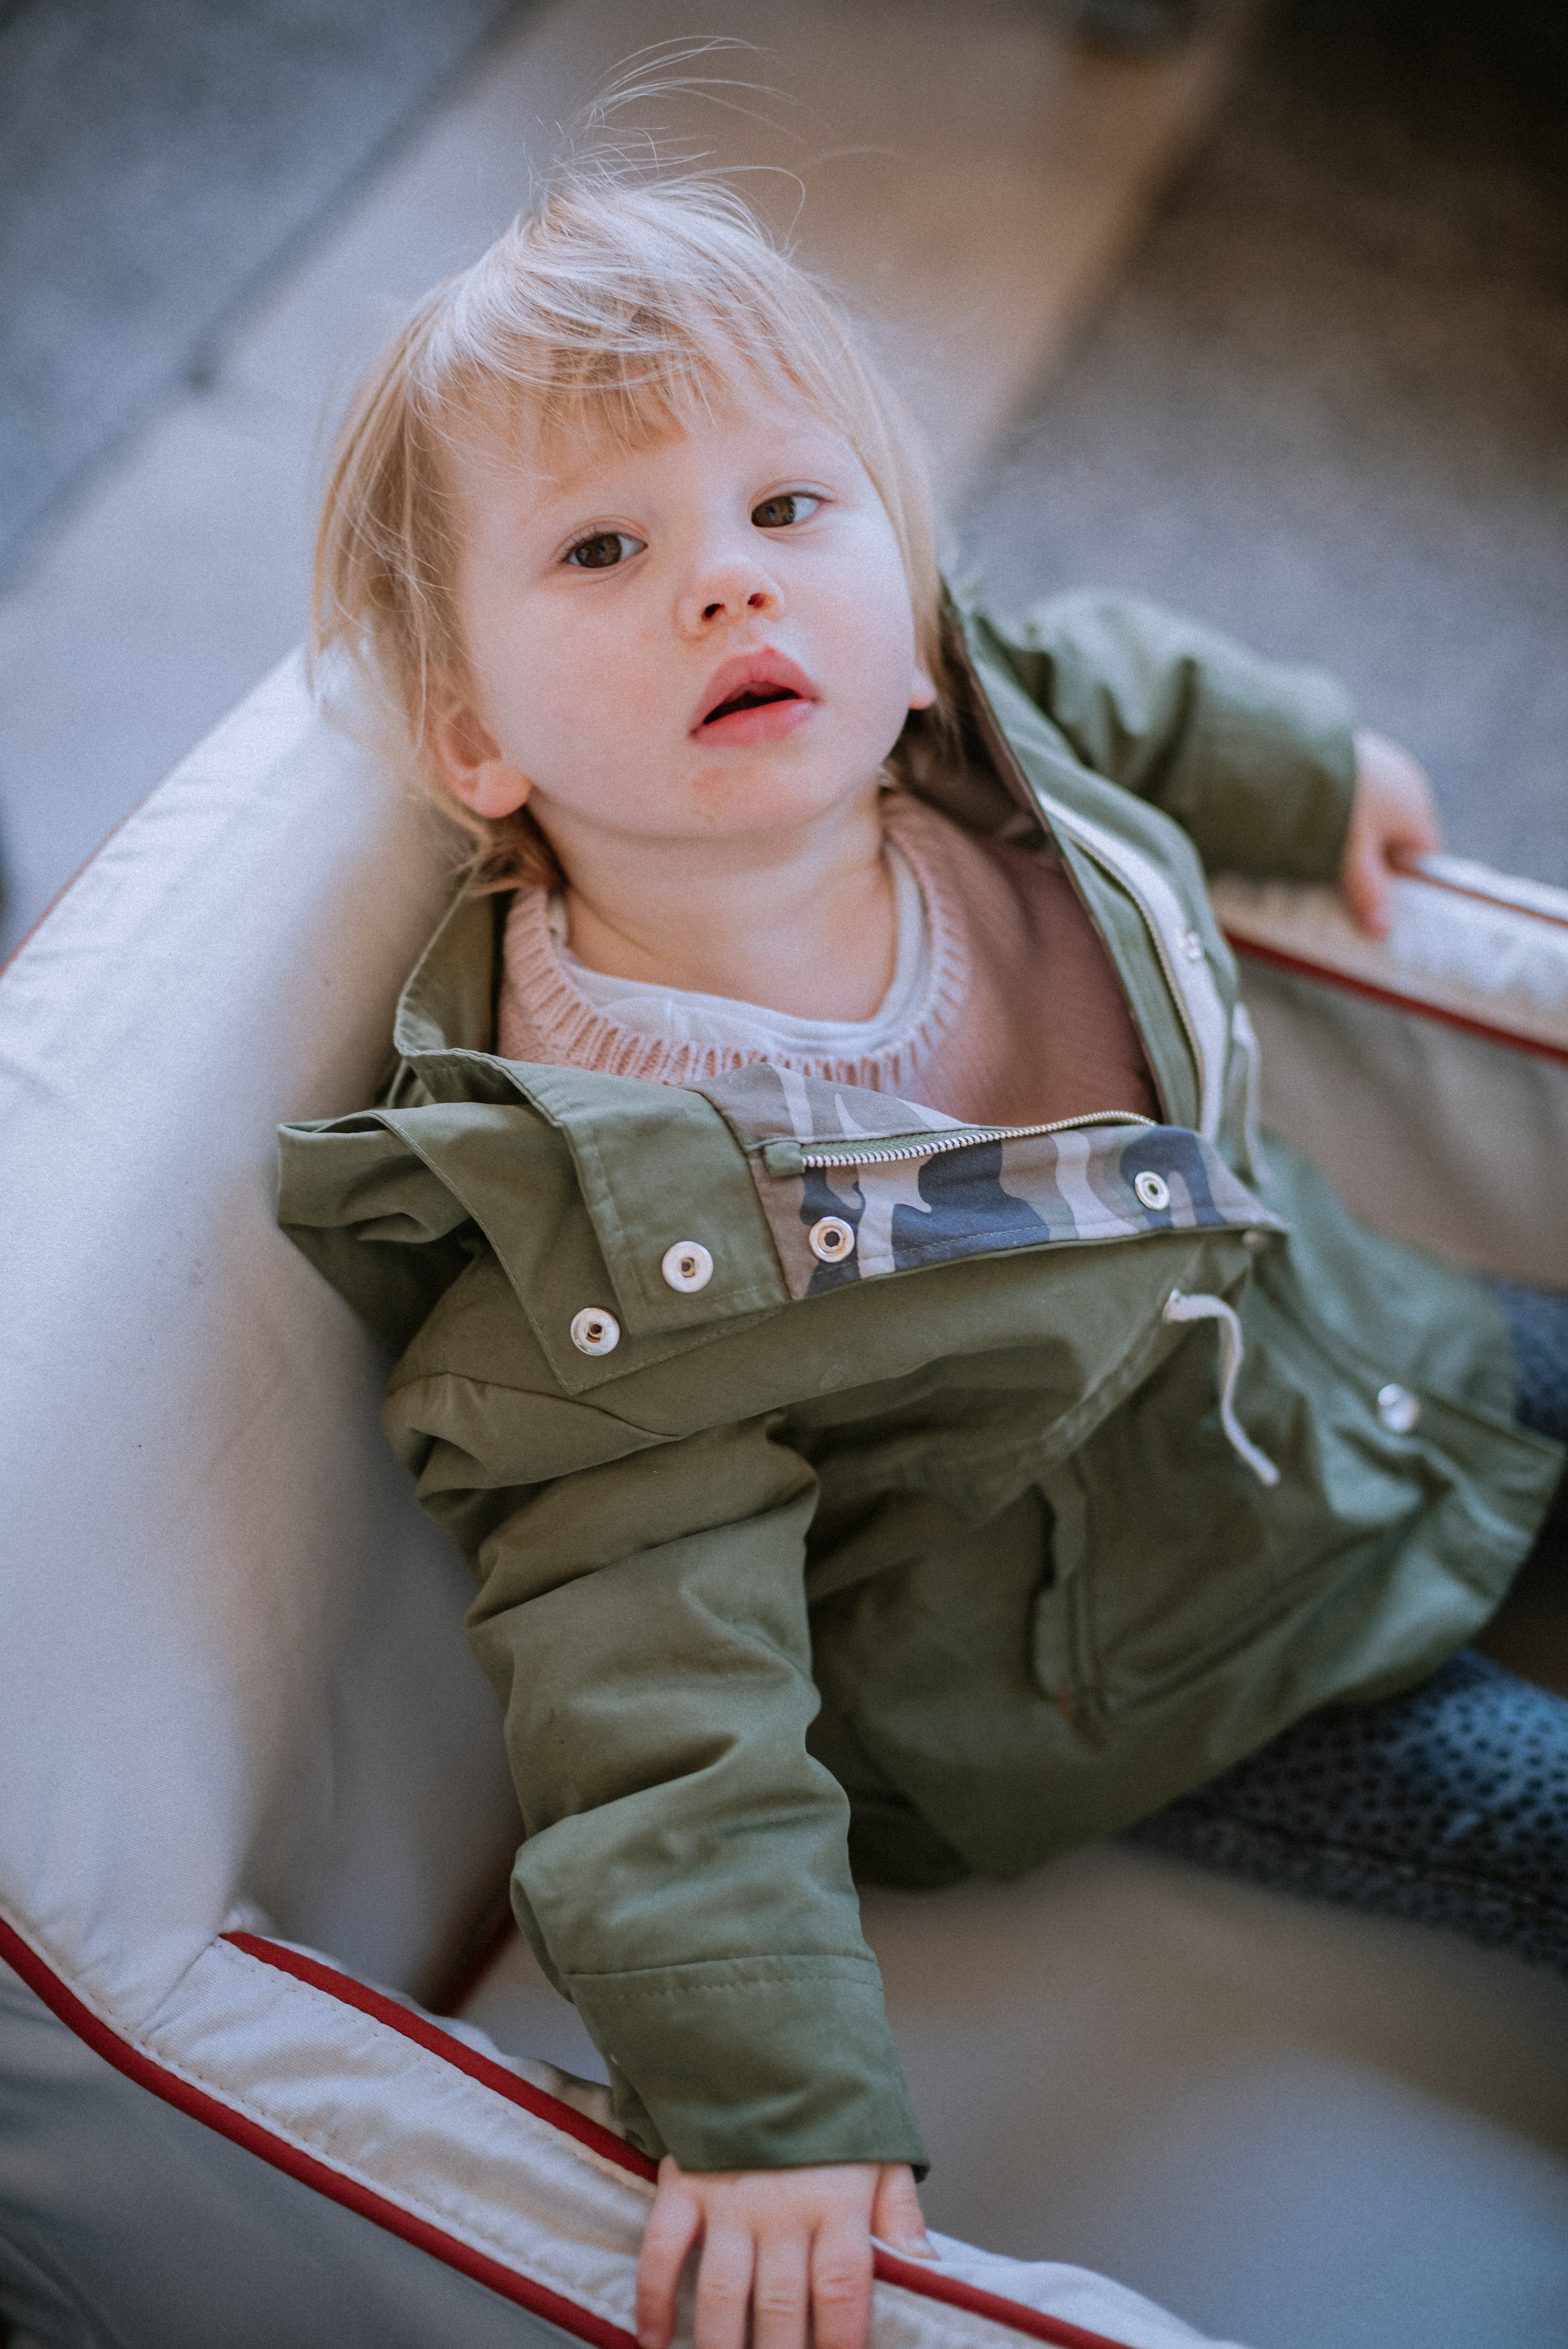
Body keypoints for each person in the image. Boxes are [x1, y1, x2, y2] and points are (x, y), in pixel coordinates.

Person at [277, 168, 1566, 2349]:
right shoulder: (604, 1248)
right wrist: (766, 2096)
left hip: (1351, 1340)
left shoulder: (970, 733)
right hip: (1159, 1679)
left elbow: (1113, 691)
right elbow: (654, 1701)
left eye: (793, 507)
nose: (728, 585)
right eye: (609, 548)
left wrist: (1294, 758)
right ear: (473, 736)